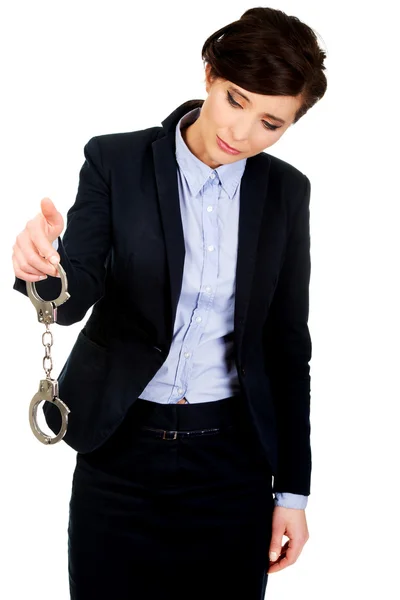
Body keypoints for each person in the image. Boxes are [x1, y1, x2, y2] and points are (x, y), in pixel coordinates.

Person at [11, 6, 327, 600]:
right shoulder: (117, 161)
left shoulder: (286, 193)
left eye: (271, 123)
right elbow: (72, 293)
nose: (243, 133)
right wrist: (41, 269)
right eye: (236, 100)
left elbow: (288, 349)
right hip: (121, 451)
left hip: (233, 463)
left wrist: (293, 493)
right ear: (208, 74)